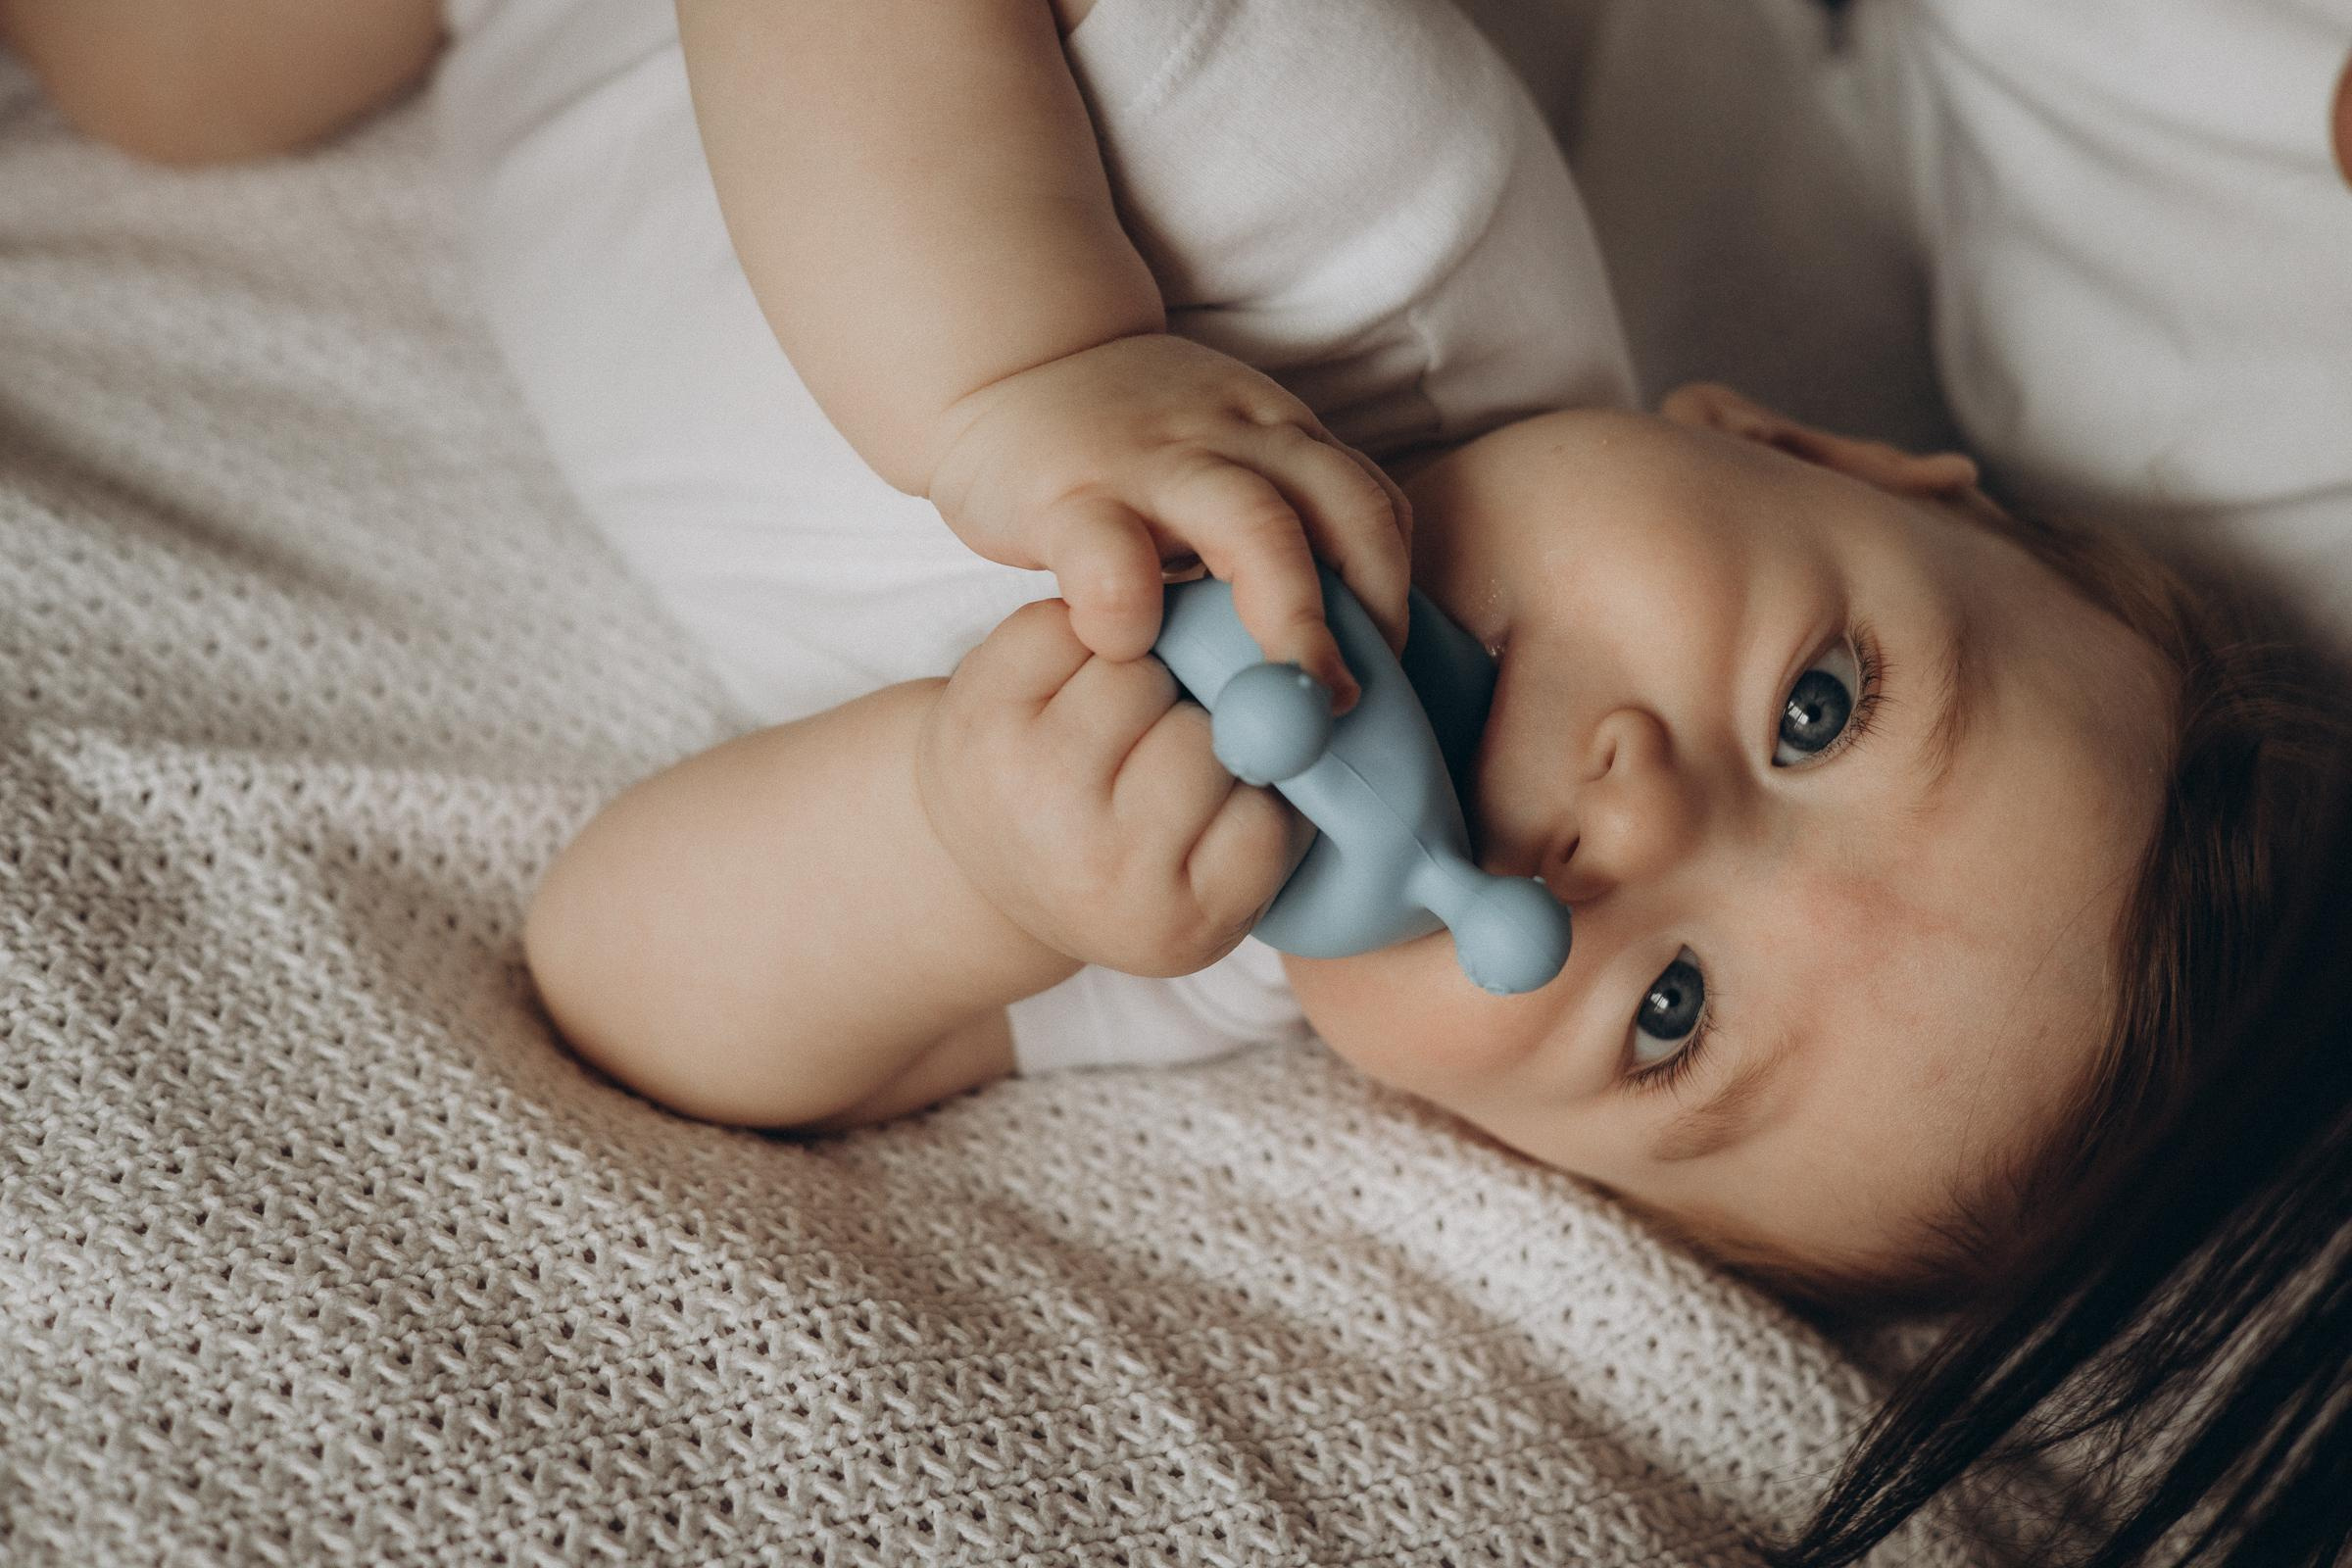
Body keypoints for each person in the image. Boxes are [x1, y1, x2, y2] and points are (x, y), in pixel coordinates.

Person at [4, 2, 2342, 1563]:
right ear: (1799, 445)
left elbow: (622, 968)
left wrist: (960, 846)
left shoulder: (1187, 911)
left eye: (1670, 1017)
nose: (1621, 826)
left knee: (163, 74)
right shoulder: (1368, 230)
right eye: (1815, 710)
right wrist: (1030, 360)